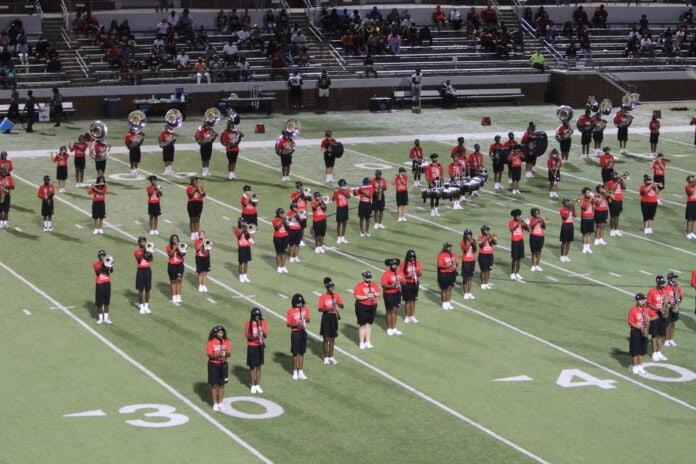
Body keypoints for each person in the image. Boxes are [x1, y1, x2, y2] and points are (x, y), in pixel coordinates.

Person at [318, 277, 343, 364]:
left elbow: (342, 305)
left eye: (332, 287)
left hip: (334, 318)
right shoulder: (323, 297)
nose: (332, 288)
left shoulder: (336, 295)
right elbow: (320, 309)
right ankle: (326, 357)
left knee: (332, 338)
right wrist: (328, 309)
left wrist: (337, 303)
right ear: (327, 288)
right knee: (326, 338)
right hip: (326, 318)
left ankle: (331, 356)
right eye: (330, 287)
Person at [627, 294, 653, 375]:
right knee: (635, 351)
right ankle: (635, 366)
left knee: (642, 351)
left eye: (644, 300)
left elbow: (654, 317)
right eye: (642, 300)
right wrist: (640, 327)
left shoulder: (646, 310)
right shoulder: (633, 310)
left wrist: (649, 319)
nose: (643, 301)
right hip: (636, 332)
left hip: (644, 331)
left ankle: (640, 366)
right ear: (637, 301)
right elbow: (630, 322)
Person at [207, 325, 231, 411]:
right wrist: (218, 354)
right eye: (220, 332)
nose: (222, 334)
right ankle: (215, 403)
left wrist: (225, 352)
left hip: (223, 364)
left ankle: (220, 403)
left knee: (222, 384)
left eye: (222, 332)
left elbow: (229, 354)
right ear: (215, 334)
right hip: (214, 365)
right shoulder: (211, 342)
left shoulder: (226, 341)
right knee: (214, 384)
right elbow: (209, 355)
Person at [286, 293, 310, 380]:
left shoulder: (305, 309)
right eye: (298, 302)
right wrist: (296, 324)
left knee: (302, 352)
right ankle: (295, 371)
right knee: (295, 353)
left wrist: (306, 319)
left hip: (303, 332)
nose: (300, 304)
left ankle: (301, 371)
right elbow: (288, 324)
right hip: (295, 333)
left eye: (301, 302)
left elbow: (308, 319)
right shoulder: (291, 311)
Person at [354, 271, 380, 349]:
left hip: (373, 306)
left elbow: (379, 293)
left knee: (369, 324)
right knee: (362, 325)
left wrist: (374, 293)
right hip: (362, 306)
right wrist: (367, 296)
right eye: (367, 277)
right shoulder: (359, 286)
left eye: (369, 277)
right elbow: (357, 296)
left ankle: (368, 341)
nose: (368, 279)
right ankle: (361, 342)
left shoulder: (373, 285)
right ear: (364, 277)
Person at [647, 275, 669, 362]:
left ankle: (659, 352)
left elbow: (668, 301)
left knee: (660, 335)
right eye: (660, 283)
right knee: (654, 335)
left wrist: (667, 304)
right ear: (657, 283)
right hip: (655, 315)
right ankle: (654, 353)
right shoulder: (651, 291)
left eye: (663, 283)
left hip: (663, 315)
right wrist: (658, 309)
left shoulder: (665, 291)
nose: (662, 285)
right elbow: (648, 304)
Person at [245, 308, 267, 393]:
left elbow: (265, 335)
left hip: (260, 346)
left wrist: (262, 333)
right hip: (252, 347)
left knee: (259, 366)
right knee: (252, 366)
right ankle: (253, 385)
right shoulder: (248, 324)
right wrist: (256, 337)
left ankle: (258, 384)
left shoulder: (263, 323)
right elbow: (248, 336)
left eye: (258, 315)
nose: (257, 317)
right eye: (256, 316)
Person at [399, 250, 422, 323]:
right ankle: (407, 316)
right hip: (407, 284)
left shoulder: (417, 263)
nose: (412, 259)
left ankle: (412, 316)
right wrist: (408, 275)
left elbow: (420, 273)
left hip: (415, 283)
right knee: (407, 301)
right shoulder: (403, 264)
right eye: (411, 257)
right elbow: (401, 275)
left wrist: (417, 274)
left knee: (413, 300)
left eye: (413, 257)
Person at [381, 258, 403, 335]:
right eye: (393, 264)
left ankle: (394, 328)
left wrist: (401, 281)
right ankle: (389, 328)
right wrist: (393, 285)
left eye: (395, 264)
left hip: (397, 293)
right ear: (390, 265)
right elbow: (383, 285)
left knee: (395, 311)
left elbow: (405, 283)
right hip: (389, 294)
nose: (394, 266)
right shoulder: (386, 273)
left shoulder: (400, 273)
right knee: (389, 311)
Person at [134, 236, 153, 314]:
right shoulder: (137, 251)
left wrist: (150, 251)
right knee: (141, 289)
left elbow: (150, 259)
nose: (143, 242)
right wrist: (145, 250)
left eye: (144, 241)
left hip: (148, 269)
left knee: (148, 289)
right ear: (139, 243)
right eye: (141, 241)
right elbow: (140, 258)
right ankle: (141, 306)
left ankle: (146, 306)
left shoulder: (148, 250)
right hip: (141, 270)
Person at [94, 249, 113, 325]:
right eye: (101, 256)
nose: (103, 257)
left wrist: (110, 264)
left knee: (106, 302)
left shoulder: (108, 262)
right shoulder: (95, 264)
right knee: (99, 302)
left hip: (107, 283)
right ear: (99, 256)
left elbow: (111, 271)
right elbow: (98, 272)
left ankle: (106, 318)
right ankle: (100, 318)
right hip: (100, 284)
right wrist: (103, 263)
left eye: (104, 255)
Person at [436, 242, 458, 310]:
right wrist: (448, 266)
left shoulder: (453, 255)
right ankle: (444, 303)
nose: (450, 248)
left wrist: (455, 264)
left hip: (452, 273)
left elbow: (457, 263)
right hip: (444, 274)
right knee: (444, 289)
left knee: (450, 289)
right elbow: (440, 265)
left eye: (450, 246)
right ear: (445, 248)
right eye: (448, 247)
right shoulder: (441, 255)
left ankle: (448, 302)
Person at [664, 273, 683, 348]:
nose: (675, 279)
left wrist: (678, 301)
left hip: (675, 307)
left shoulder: (677, 286)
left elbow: (681, 294)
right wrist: (669, 304)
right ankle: (667, 340)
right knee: (668, 324)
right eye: (674, 278)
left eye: (675, 278)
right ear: (670, 279)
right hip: (668, 307)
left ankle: (671, 339)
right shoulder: (666, 287)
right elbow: (665, 297)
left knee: (673, 324)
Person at [509, 209, 529, 281]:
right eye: (517, 216)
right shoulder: (511, 222)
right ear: (514, 216)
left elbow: (529, 230)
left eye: (519, 216)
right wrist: (518, 223)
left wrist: (525, 223)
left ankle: (517, 273)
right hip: (514, 241)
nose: (518, 217)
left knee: (519, 258)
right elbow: (512, 230)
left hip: (521, 241)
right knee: (514, 258)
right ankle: (512, 273)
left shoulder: (521, 223)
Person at [166, 234, 186, 305]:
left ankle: (179, 296)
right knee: (173, 281)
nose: (175, 240)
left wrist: (179, 248)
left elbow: (183, 254)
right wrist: (175, 248)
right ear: (171, 240)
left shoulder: (181, 245)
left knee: (179, 280)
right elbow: (170, 254)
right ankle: (174, 296)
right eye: (173, 239)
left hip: (180, 265)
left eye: (176, 239)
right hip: (172, 265)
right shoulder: (168, 247)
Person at [607, 171, 626, 237]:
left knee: (617, 216)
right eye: (614, 175)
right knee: (613, 216)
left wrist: (622, 181)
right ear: (612, 176)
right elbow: (612, 190)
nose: (616, 176)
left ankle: (616, 230)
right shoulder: (610, 182)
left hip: (619, 200)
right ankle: (612, 230)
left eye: (616, 175)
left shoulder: (619, 182)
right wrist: (618, 182)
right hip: (613, 200)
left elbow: (624, 188)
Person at [459, 229, 477, 299]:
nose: (469, 235)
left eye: (470, 234)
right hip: (466, 261)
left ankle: (469, 292)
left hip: (472, 261)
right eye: (467, 234)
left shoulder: (472, 241)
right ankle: (465, 293)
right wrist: (469, 242)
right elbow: (465, 250)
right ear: (465, 235)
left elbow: (475, 250)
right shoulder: (462, 242)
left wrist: (474, 243)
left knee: (470, 277)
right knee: (465, 278)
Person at [234, 217, 253, 283]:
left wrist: (247, 228)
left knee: (246, 262)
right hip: (241, 246)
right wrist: (243, 230)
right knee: (241, 262)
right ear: (239, 222)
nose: (243, 223)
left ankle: (245, 275)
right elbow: (239, 236)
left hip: (247, 246)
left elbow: (249, 236)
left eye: (243, 221)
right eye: (242, 222)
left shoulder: (246, 228)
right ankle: (240, 276)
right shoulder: (236, 229)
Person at [578, 187, 596, 254]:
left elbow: (594, 208)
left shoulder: (592, 200)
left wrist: (593, 201)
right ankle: (584, 247)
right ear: (584, 193)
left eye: (589, 192)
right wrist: (591, 199)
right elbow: (585, 208)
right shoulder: (580, 200)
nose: (589, 194)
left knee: (589, 234)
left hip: (591, 218)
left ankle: (588, 247)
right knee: (585, 234)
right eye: (587, 192)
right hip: (585, 219)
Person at [272, 207, 289, 273]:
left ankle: (283, 266)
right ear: (278, 214)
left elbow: (288, 227)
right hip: (278, 237)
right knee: (279, 253)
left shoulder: (285, 219)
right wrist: (282, 220)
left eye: (282, 213)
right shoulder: (275, 219)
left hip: (285, 237)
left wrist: (285, 221)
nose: (282, 214)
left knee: (284, 252)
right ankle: (279, 266)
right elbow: (277, 227)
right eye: (280, 213)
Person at [333, 179, 351, 244]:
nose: (343, 185)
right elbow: (333, 199)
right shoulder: (337, 191)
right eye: (342, 184)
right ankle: (338, 237)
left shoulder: (346, 190)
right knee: (339, 223)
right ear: (340, 185)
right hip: (339, 208)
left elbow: (348, 197)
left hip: (345, 208)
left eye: (344, 184)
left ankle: (343, 237)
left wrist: (342, 192)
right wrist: (334, 192)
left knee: (344, 223)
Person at [559, 197, 575, 262]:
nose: (567, 203)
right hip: (565, 225)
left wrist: (573, 208)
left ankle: (566, 255)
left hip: (571, 225)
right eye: (566, 202)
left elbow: (576, 215)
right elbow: (565, 217)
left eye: (568, 201)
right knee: (564, 242)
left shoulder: (571, 208)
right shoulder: (562, 209)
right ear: (563, 203)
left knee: (569, 242)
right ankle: (562, 255)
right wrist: (569, 210)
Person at [685, 175, 696, 240]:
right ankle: (688, 233)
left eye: (693, 178)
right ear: (688, 180)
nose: (692, 179)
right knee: (690, 219)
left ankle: (693, 232)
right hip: (690, 203)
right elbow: (692, 193)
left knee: (694, 219)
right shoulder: (687, 187)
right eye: (691, 178)